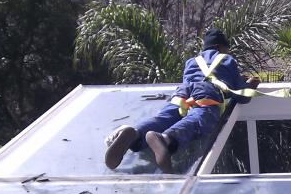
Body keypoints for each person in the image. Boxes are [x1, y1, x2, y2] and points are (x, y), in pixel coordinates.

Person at [104, 29, 260, 173]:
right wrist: (250, 84)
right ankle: (166, 139)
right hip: (207, 91)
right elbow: (242, 96)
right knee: (200, 118)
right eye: (226, 48)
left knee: (166, 117)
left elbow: (193, 80)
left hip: (182, 93)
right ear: (220, 47)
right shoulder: (227, 59)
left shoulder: (192, 61)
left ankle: (135, 135)